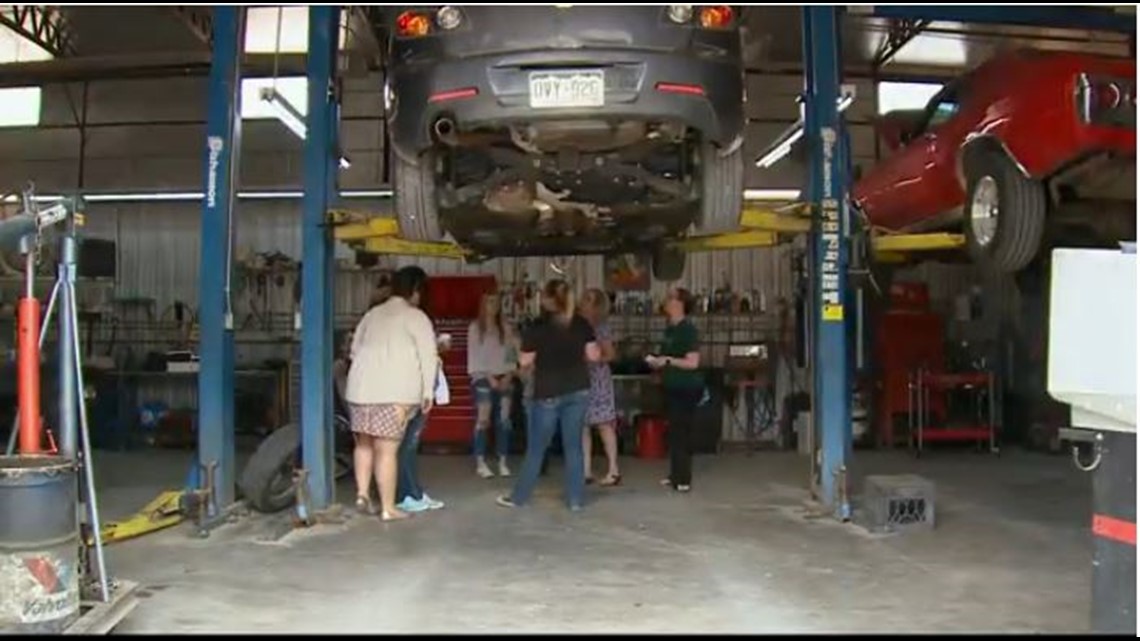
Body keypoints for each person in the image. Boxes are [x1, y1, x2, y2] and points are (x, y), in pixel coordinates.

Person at [345, 265, 439, 521]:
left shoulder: (372, 315)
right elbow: (428, 357)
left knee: (364, 444)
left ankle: (362, 493)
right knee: (386, 451)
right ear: (416, 290)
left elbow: (353, 351)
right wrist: (428, 392)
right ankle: (388, 508)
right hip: (394, 394)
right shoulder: (416, 317)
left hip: (360, 390)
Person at [497, 280, 600, 512]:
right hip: (578, 389)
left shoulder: (538, 326)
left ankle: (519, 497)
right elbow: (594, 356)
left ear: (547, 299)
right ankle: (575, 501)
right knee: (573, 447)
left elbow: (525, 361)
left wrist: (516, 342)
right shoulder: (581, 324)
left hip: (548, 392)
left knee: (537, 448)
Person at [646, 287, 703, 493]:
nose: (666, 301)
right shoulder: (670, 329)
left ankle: (683, 478)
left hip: (686, 387)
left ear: (680, 304)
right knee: (673, 432)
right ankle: (675, 474)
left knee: (682, 432)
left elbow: (692, 362)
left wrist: (668, 360)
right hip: (671, 385)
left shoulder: (688, 330)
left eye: (671, 298)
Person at [467, 292, 517, 479]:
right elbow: (475, 357)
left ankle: (502, 460)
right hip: (482, 377)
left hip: (504, 375)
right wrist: (489, 377)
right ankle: (480, 461)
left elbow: (512, 353)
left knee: (504, 420)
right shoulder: (475, 328)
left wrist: (509, 374)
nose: (493, 306)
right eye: (489, 302)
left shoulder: (506, 327)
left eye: (496, 302)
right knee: (483, 419)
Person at [580, 288, 621, 487]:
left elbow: (611, 354)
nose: (583, 302)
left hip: (598, 379)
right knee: (583, 425)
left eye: (588, 300)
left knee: (604, 424)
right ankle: (585, 470)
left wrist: (594, 361)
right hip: (580, 379)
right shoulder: (577, 325)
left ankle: (613, 469)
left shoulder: (601, 327)